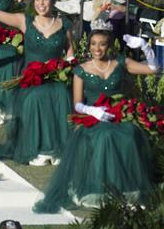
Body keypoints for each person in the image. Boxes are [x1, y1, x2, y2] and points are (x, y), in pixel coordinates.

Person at [34, 22, 157, 213]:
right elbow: (77, 104)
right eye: (93, 44)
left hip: (118, 115)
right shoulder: (81, 70)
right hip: (92, 118)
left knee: (130, 133)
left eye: (102, 44)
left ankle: (126, 190)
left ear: (109, 46)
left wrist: (145, 46)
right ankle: (100, 191)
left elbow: (152, 69)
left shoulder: (120, 63)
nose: (97, 48)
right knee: (104, 137)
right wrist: (93, 111)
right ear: (89, 45)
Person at [0, 0, 74, 165]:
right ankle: (37, 148)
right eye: (37, 0)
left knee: (61, 94)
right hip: (30, 79)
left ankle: (57, 149)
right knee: (36, 97)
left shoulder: (63, 23)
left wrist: (67, 68)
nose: (41, 4)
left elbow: (71, 53)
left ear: (53, 1)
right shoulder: (24, 20)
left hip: (57, 76)